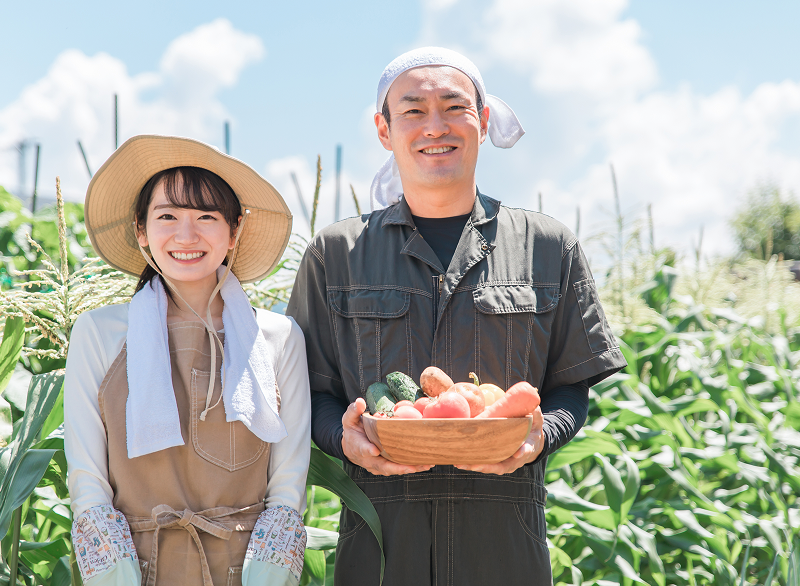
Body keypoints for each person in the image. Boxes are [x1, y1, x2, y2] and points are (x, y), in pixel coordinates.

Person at [286, 47, 627, 585]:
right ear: (384, 129)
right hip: (378, 542)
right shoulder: (335, 254)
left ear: (483, 120)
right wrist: (343, 439)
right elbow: (312, 391)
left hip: (505, 541)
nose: (435, 126)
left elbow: (569, 386)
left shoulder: (546, 246)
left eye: (454, 106)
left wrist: (540, 437)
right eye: (414, 110)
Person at [65, 135, 311, 586]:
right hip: (136, 569)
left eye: (206, 217)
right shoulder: (98, 333)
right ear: (141, 230)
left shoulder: (277, 337)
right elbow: (88, 482)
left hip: (244, 571)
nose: (186, 234)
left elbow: (288, 487)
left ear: (234, 230)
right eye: (167, 217)